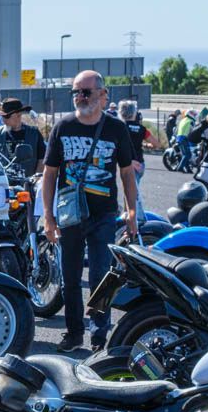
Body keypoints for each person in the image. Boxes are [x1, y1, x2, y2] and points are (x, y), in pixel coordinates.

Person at [41, 70, 138, 353]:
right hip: (70, 215)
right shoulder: (63, 127)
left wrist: (131, 211)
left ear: (103, 95)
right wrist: (48, 216)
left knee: (100, 276)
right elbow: (50, 174)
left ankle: (99, 336)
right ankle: (73, 333)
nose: (80, 97)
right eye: (75, 92)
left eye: (86, 92)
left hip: (104, 214)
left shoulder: (116, 129)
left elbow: (127, 173)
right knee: (70, 278)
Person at [117, 98, 154, 216]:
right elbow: (156, 144)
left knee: (131, 192)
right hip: (140, 163)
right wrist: (143, 144)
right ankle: (128, 215)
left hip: (128, 164)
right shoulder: (142, 129)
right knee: (129, 191)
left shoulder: (120, 127)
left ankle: (138, 218)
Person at [0, 98, 44, 177]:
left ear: (18, 115)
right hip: (4, 184)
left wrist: (35, 180)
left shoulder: (34, 133)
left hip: (28, 183)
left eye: (6, 116)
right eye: (2, 116)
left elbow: (42, 159)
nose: (3, 120)